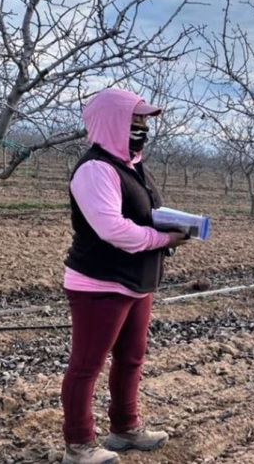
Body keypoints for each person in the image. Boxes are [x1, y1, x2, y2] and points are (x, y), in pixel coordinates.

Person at [61, 87, 189, 464]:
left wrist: (179, 226)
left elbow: (143, 214)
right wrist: (164, 238)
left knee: (131, 358)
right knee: (87, 365)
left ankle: (124, 429)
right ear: (111, 123)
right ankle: (79, 444)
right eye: (133, 122)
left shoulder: (135, 167)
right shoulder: (95, 169)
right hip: (99, 283)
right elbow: (113, 229)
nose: (140, 129)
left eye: (144, 122)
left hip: (135, 281)